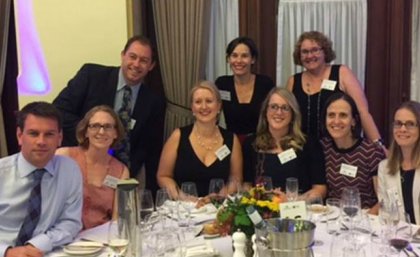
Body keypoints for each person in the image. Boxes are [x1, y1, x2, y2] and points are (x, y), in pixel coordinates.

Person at [53, 35, 165, 194]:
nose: (136, 64)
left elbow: (150, 149)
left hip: (120, 176)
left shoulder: (154, 102)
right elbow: (59, 111)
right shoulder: (91, 76)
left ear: (151, 66)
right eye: (132, 57)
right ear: (122, 55)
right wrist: (91, 132)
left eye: (144, 60)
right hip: (80, 168)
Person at [0, 102, 82, 257]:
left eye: (49, 134)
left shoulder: (69, 170)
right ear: (19, 136)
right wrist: (7, 252)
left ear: (60, 138)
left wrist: (37, 244)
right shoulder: (2, 173)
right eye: (33, 133)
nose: (41, 141)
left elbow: (71, 222)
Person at [286, 31, 382, 145]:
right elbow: (287, 118)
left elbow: (362, 112)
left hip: (339, 148)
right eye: (305, 52)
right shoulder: (293, 81)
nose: (310, 56)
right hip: (304, 149)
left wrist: (378, 144)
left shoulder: (342, 72)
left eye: (315, 50)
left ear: (325, 51)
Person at [157, 81, 242, 197]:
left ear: (219, 106)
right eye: (198, 102)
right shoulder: (178, 136)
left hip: (218, 209)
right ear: (192, 108)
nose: (203, 107)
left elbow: (236, 178)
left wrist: (219, 197)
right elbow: (163, 176)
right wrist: (182, 197)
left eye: (209, 101)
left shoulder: (231, 139)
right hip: (184, 209)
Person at [243, 87, 326, 198]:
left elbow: (320, 189)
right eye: (273, 107)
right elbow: (246, 184)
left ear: (293, 114)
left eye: (285, 108)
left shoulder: (309, 144)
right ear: (265, 112)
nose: (279, 112)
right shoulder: (251, 144)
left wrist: (292, 203)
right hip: (261, 211)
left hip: (296, 211)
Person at [56, 105, 129, 229]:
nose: (101, 132)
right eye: (95, 126)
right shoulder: (64, 156)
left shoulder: (121, 171)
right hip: (62, 236)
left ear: (115, 133)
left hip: (100, 239)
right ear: (86, 131)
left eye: (107, 127)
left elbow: (117, 220)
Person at [320, 92, 385, 213]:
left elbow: (383, 200)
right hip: (332, 219)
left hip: (365, 219)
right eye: (331, 115)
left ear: (354, 121)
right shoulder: (323, 147)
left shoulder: (371, 151)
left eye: (343, 115)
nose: (336, 121)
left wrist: (364, 220)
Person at [215, 36, 275, 143]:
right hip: (232, 142)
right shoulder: (222, 84)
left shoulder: (265, 84)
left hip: (261, 143)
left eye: (244, 56)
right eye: (234, 55)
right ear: (228, 59)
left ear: (253, 59)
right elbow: (214, 116)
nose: (239, 61)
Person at [378, 101, 420, 224]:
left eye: (410, 124)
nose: (402, 129)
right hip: (398, 237)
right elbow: (385, 213)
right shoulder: (384, 167)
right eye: (398, 124)